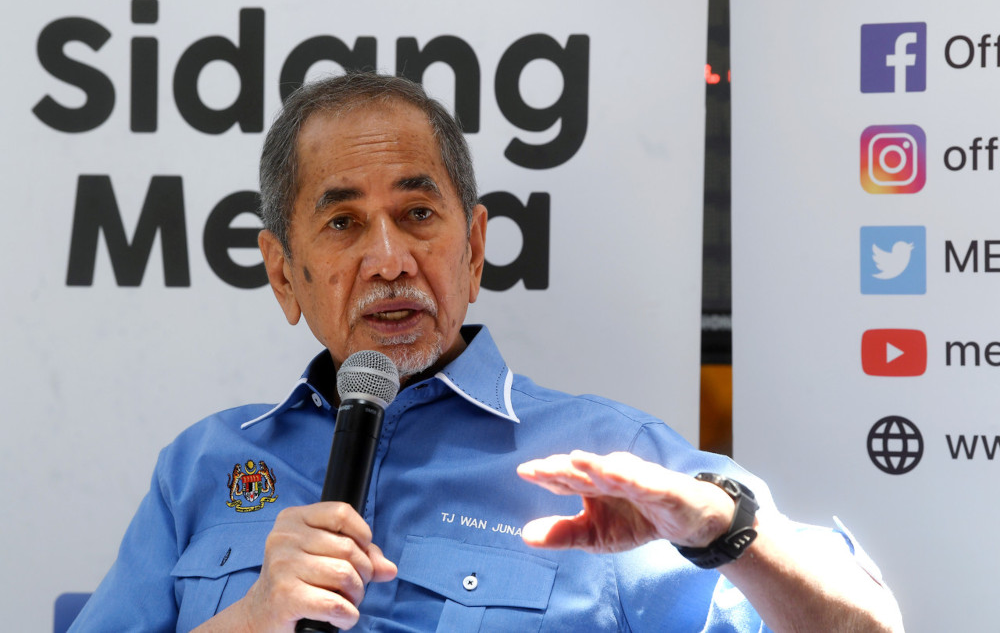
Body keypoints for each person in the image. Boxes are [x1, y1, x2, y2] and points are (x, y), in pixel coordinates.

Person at [69, 72, 903, 632]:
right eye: (343, 222)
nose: (390, 257)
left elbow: (872, 624)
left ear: (474, 249)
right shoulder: (202, 466)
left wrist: (724, 528)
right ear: (284, 273)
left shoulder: (609, 461)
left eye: (419, 215)